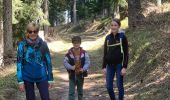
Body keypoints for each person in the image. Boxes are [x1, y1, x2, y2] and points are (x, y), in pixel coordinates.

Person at [16, 23, 54, 100]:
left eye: (35, 31)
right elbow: (19, 63)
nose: (32, 33)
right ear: (27, 32)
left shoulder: (43, 44)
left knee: (46, 98)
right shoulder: (22, 45)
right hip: (27, 77)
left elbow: (48, 62)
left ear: (37, 31)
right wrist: (20, 81)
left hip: (42, 77)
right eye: (30, 31)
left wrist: (50, 78)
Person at [102, 19, 129, 100]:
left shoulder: (122, 37)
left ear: (119, 26)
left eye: (115, 25)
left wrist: (124, 67)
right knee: (109, 87)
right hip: (109, 66)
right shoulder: (107, 38)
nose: (113, 27)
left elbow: (126, 53)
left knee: (119, 86)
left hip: (119, 65)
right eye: (112, 25)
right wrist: (103, 67)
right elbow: (105, 53)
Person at [63, 36, 90, 100]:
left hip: (81, 75)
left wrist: (83, 69)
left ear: (80, 43)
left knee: (80, 91)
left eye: (77, 43)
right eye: (75, 43)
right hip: (72, 75)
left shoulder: (84, 53)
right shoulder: (69, 53)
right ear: (72, 43)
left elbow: (87, 62)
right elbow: (65, 62)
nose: (76, 44)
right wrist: (71, 67)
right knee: (71, 92)